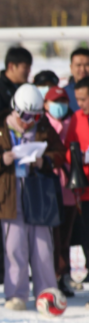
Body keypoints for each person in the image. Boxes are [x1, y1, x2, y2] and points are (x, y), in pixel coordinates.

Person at [0, 84, 65, 310]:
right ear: (15, 110)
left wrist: (44, 161)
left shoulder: (44, 128)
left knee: (42, 247)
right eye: (26, 115)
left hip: (37, 193)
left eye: (35, 116)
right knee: (14, 246)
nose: (29, 121)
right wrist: (2, 160)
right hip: (10, 195)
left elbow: (60, 153)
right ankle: (16, 294)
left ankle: (46, 291)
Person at [0, 46, 32, 286]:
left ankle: (22, 265)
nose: (27, 73)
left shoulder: (26, 89)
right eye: (25, 68)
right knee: (0, 211)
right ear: (12, 66)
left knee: (25, 213)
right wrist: (13, 117)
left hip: (25, 160)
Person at [44, 86, 78, 296]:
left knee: (65, 237)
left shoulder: (73, 122)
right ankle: (49, 276)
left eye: (64, 102)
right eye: (55, 102)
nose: (60, 107)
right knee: (49, 237)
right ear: (46, 104)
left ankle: (63, 275)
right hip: (47, 187)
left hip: (68, 188)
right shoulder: (42, 124)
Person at [64, 78, 89, 303]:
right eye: (78, 99)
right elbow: (67, 150)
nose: (81, 104)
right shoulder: (76, 118)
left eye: (85, 99)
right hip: (85, 191)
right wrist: (78, 159)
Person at [64, 48, 89, 113]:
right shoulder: (64, 93)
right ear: (71, 67)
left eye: (87, 65)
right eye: (78, 65)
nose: (83, 69)